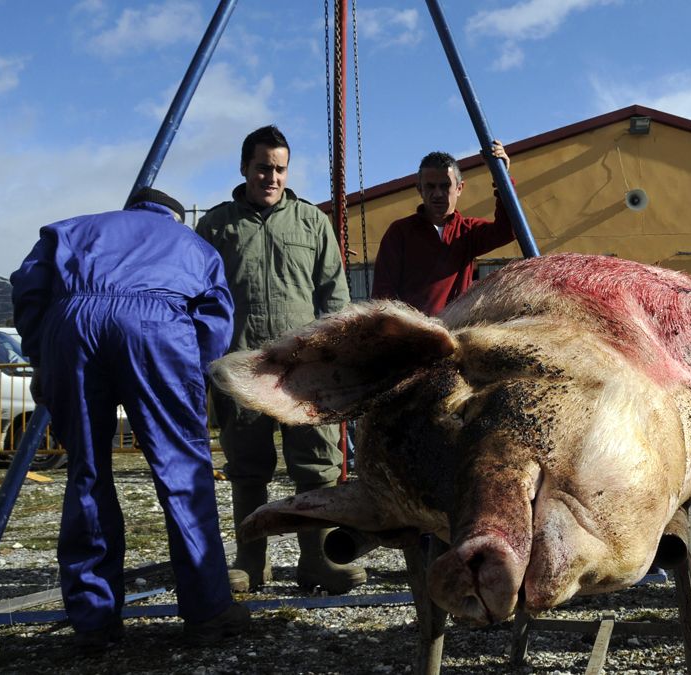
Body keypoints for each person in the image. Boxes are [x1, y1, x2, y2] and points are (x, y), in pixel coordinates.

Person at [10, 188, 249, 650]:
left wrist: (44, 353)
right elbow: (216, 316)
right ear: (173, 216)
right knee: (183, 473)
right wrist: (188, 380)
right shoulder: (190, 243)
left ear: (130, 210)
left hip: (72, 322)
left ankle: (94, 621)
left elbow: (29, 284)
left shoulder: (71, 229)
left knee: (87, 473)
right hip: (156, 325)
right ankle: (208, 612)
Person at [196, 125, 363, 595]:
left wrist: (333, 358)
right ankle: (251, 562)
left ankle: (319, 561)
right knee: (248, 468)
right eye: (263, 167)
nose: (272, 177)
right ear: (245, 168)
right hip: (244, 369)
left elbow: (334, 295)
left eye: (280, 168)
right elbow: (202, 298)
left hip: (303, 373)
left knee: (316, 467)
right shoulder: (216, 225)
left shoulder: (312, 224)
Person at [370, 141, 517, 316]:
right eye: (430, 186)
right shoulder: (400, 233)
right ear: (420, 189)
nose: (438, 194)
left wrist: (502, 176)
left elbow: (507, 230)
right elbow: (382, 292)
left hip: (455, 334)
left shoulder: (467, 232)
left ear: (459, 188)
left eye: (445, 186)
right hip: (411, 335)